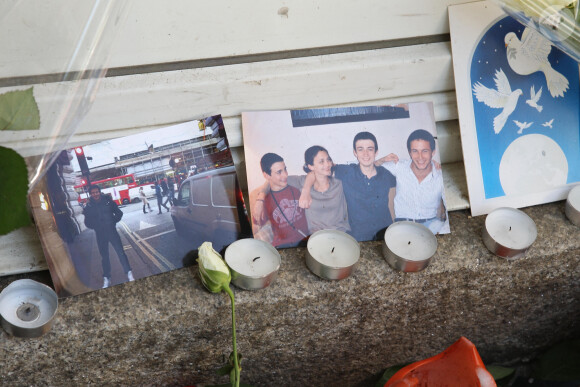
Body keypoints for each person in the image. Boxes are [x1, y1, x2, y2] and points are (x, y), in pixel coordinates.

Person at [300, 132, 397, 241]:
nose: (365, 154)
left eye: (370, 149)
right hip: (359, 238)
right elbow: (317, 170)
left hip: (385, 234)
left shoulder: (386, 174)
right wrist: (306, 190)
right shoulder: (346, 172)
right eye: (360, 149)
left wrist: (382, 160)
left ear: (376, 152)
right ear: (355, 152)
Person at [253, 146, 350, 234]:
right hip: (317, 237)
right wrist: (260, 200)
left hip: (340, 234)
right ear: (310, 166)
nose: (328, 164)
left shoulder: (339, 183)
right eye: (321, 161)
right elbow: (271, 180)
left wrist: (305, 190)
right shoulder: (301, 181)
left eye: (328, 159)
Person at [376, 129, 448, 234]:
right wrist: (381, 160)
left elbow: (449, 213)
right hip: (403, 225)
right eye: (415, 151)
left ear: (433, 152)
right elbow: (366, 169)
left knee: (441, 228)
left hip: (432, 225)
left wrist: (442, 233)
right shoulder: (400, 167)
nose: (420, 157)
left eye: (425, 151)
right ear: (409, 152)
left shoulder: (440, 175)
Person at [250, 153, 309, 248]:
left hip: (305, 242)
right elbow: (255, 230)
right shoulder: (265, 201)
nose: (285, 175)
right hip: (282, 247)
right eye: (279, 172)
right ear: (266, 175)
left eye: (285, 169)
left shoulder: (295, 187)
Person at [83, 185, 134, 288]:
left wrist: (113, 221)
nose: (95, 194)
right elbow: (87, 222)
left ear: (99, 192)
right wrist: (96, 226)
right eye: (93, 193)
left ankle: (129, 273)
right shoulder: (88, 207)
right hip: (100, 235)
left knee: (120, 252)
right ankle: (107, 278)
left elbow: (119, 213)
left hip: (112, 232)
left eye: (96, 192)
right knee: (104, 257)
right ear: (90, 194)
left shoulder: (108, 201)